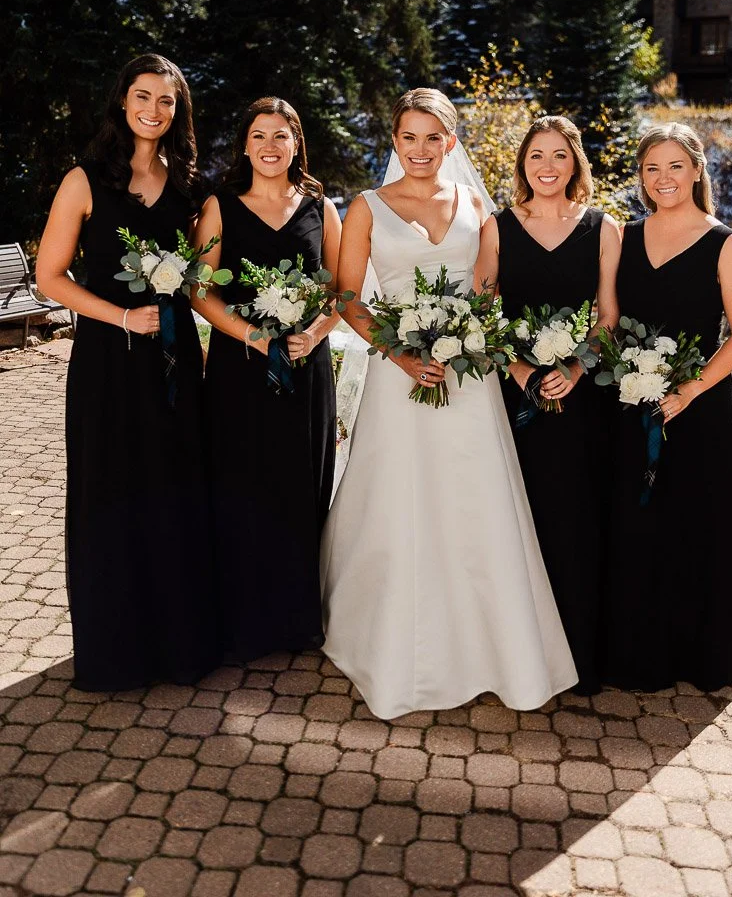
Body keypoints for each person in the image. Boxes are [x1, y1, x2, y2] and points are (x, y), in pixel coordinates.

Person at [320, 88, 577, 720]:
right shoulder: (366, 207)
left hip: (469, 381)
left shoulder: (477, 208)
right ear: (394, 141)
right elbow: (350, 298)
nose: (420, 149)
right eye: (408, 136)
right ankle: (390, 646)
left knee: (475, 501)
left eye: (434, 137)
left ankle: (493, 649)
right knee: (400, 500)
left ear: (452, 143)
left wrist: (470, 341)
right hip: (398, 375)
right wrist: (402, 354)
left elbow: (487, 296)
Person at [37, 54, 218, 691]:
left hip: (173, 359)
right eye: (144, 96)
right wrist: (120, 318)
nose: (154, 109)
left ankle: (177, 644)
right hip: (110, 361)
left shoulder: (188, 183)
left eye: (167, 101)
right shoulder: (85, 180)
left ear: (178, 111)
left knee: (174, 487)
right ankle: (116, 650)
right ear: (122, 102)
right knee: (110, 489)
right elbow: (50, 277)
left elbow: (198, 274)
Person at [603, 122, 732, 692]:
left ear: (697, 170)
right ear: (640, 177)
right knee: (636, 525)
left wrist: (691, 389)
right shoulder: (624, 235)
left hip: (699, 410)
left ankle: (697, 658)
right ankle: (635, 654)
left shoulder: (725, 243)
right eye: (651, 168)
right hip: (631, 403)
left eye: (675, 166)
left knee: (695, 526)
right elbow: (611, 320)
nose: (663, 178)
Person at [474, 115, 621, 694]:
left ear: (575, 164)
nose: (548, 167)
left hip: (582, 401)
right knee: (519, 516)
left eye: (560, 155)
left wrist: (578, 367)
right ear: (523, 164)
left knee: (579, 516)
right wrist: (522, 371)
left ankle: (580, 652)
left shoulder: (603, 227)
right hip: (516, 399)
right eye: (537, 155)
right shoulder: (498, 227)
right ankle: (518, 656)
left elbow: (608, 315)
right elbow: (484, 313)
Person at [193, 98, 340, 662]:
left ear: (296, 143)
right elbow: (200, 290)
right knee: (242, 483)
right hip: (240, 366)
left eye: (282, 136)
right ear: (246, 145)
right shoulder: (220, 206)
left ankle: (297, 618)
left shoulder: (321, 207)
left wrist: (318, 330)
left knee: (302, 486)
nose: (271, 146)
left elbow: (339, 290)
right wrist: (251, 336)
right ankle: (243, 619)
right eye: (260, 136)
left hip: (306, 367)